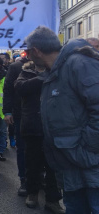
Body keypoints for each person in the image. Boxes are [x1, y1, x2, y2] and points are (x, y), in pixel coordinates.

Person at [25, 26, 99, 213]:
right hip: (71, 165)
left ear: (36, 51)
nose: (27, 56)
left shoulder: (78, 64)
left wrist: (85, 148)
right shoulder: (54, 72)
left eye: (27, 51)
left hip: (89, 164)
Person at [14, 60, 65, 213]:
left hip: (54, 126)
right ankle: (32, 193)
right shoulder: (26, 73)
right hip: (33, 126)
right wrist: (44, 77)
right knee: (33, 163)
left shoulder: (58, 72)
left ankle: (53, 200)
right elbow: (20, 88)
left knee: (54, 166)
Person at [2, 55, 28, 196]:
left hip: (44, 115)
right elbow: (8, 90)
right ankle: (24, 179)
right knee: (22, 147)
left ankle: (42, 179)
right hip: (20, 114)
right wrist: (7, 111)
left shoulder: (50, 63)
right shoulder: (16, 67)